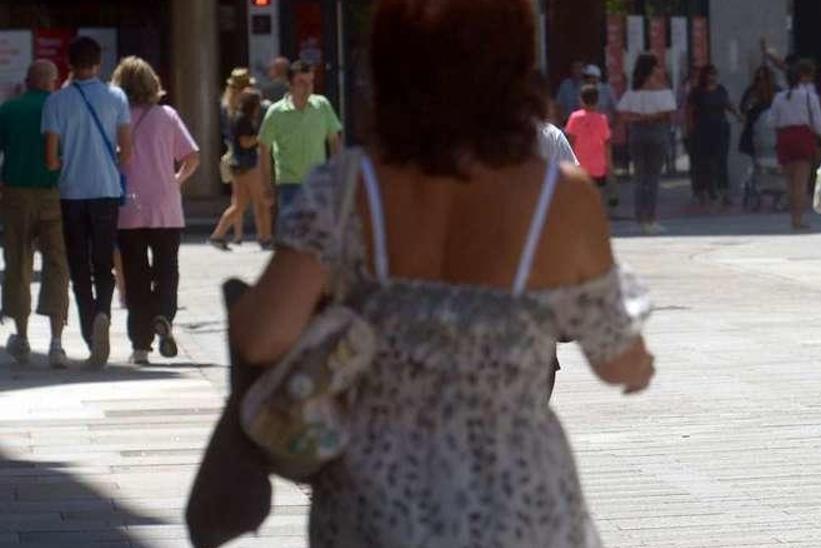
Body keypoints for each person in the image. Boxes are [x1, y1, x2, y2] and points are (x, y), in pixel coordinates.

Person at [229, 1, 654, 544]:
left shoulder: (345, 190)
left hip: (376, 501)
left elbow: (261, 334)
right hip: (516, 502)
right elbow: (618, 361)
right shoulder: (561, 196)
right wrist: (640, 363)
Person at [41, 36, 132, 369]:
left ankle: (90, 332)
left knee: (78, 266)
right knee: (103, 260)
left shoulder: (56, 102)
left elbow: (50, 159)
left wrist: (67, 159)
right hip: (106, 190)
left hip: (71, 193)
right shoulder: (116, 97)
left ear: (69, 64)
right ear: (98, 63)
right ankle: (104, 313)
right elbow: (128, 152)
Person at [111, 57, 200, 365]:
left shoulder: (114, 118)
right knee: (167, 269)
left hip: (128, 207)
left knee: (135, 276)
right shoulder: (167, 115)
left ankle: (140, 345)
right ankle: (163, 313)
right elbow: (193, 157)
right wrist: (176, 179)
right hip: (165, 204)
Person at [0, 60, 70, 368]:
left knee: (17, 263)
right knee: (57, 263)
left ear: (27, 81)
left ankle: (23, 337)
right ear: (52, 82)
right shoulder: (61, 109)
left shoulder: (9, 109)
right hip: (55, 194)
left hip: (15, 194)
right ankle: (56, 342)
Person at [258, 60, 343, 216]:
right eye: (301, 82)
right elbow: (264, 149)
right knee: (292, 236)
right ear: (290, 84)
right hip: (289, 184)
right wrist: (266, 185)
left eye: (310, 82)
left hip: (318, 183)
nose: (307, 87)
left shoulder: (322, 106)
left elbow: (334, 142)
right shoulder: (276, 112)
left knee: (318, 234)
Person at [617, 52, 676, 235]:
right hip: (657, 133)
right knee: (652, 178)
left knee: (640, 177)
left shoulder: (632, 92)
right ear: (653, 68)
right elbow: (668, 114)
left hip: (637, 133)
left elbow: (623, 115)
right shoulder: (663, 90)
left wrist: (638, 117)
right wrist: (651, 117)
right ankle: (650, 218)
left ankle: (640, 217)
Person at [210, 89, 272, 250]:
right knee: (260, 202)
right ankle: (265, 237)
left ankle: (217, 235)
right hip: (249, 166)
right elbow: (245, 142)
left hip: (238, 167)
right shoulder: (244, 120)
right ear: (254, 105)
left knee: (239, 205)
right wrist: (260, 138)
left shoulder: (237, 117)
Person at [769, 59, 821, 231]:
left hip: (784, 138)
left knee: (789, 182)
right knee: (801, 183)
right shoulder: (810, 97)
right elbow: (818, 124)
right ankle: (798, 220)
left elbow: (771, 122)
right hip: (803, 138)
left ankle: (793, 218)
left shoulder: (779, 98)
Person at [686, 65, 739, 208]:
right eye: (710, 74)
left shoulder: (720, 89)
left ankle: (723, 191)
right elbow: (689, 111)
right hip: (703, 129)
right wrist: (690, 128)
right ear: (704, 76)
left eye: (714, 74)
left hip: (720, 128)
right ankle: (703, 191)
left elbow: (728, 104)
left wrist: (738, 115)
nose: (712, 77)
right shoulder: (697, 92)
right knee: (704, 161)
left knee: (721, 160)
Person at [565, 85, 615, 208]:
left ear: (581, 100)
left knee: (579, 198)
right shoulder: (602, 119)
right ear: (597, 100)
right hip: (598, 167)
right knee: (597, 198)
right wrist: (609, 165)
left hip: (579, 166)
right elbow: (606, 144)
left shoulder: (574, 118)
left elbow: (570, 141)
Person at [219, 68, 254, 190]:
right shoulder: (241, 110)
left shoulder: (226, 105)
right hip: (246, 157)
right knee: (258, 201)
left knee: (240, 202)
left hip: (235, 155)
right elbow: (243, 138)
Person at [555, 60, 585, 125]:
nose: (578, 70)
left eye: (580, 68)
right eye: (576, 68)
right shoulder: (565, 85)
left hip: (583, 122)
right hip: (568, 121)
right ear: (571, 69)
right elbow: (559, 105)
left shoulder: (587, 85)